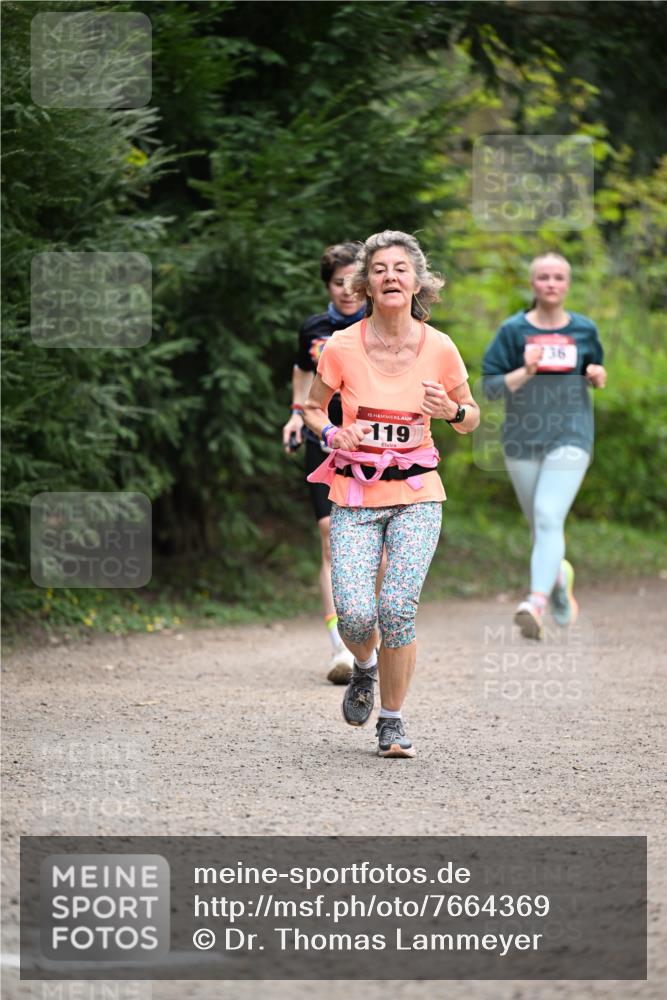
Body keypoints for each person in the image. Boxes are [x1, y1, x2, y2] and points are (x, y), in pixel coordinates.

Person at [304, 230, 479, 758]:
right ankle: (364, 667)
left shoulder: (441, 347)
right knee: (355, 614)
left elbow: (471, 418)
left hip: (418, 495)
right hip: (355, 496)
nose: (391, 277)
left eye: (401, 268)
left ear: (418, 281)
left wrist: (450, 412)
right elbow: (313, 408)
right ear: (366, 283)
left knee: (397, 608)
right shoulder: (341, 346)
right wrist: (334, 434)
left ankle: (393, 721)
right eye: (379, 269)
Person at [482, 251, 607, 640]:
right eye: (543, 277)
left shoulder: (584, 330)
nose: (551, 284)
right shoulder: (512, 331)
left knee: (549, 514)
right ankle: (559, 579)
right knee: (541, 524)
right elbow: (488, 388)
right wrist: (527, 370)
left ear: (567, 284)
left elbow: (596, 371)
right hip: (522, 439)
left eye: (558, 277)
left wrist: (597, 375)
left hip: (571, 435)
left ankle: (535, 601)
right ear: (532, 283)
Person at [282, 244, 367, 684]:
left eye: (354, 283)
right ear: (327, 286)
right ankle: (340, 649)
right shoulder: (314, 329)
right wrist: (297, 413)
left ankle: (370, 641)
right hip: (324, 439)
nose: (347, 292)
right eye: (338, 284)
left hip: (373, 444)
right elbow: (302, 370)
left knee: (380, 550)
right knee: (329, 534)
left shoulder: (382, 325)